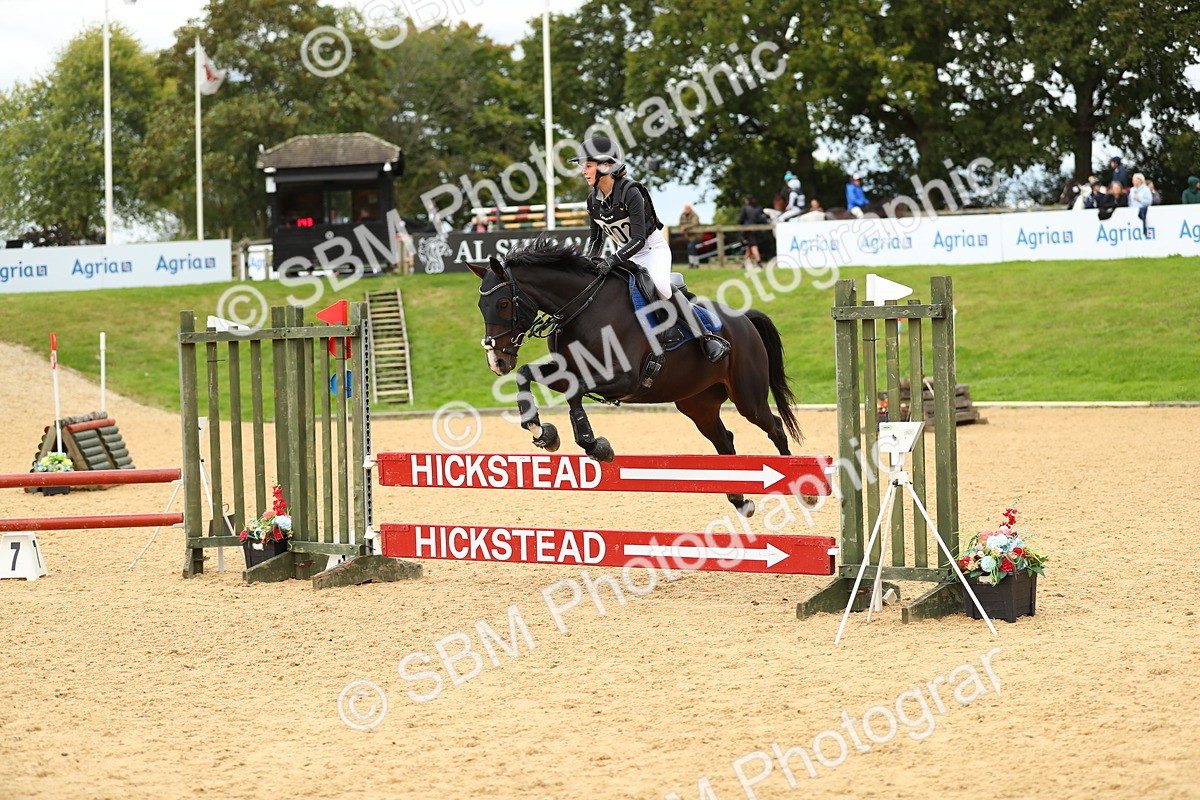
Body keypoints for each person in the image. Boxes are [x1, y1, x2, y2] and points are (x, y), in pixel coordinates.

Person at [572, 136, 729, 361]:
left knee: (662, 287)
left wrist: (613, 260)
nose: (583, 172)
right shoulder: (593, 201)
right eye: (583, 167)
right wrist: (589, 263)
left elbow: (639, 240)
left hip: (651, 250)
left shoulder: (631, 192)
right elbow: (596, 240)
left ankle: (706, 337)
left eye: (587, 166)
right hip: (626, 255)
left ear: (605, 166)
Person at [737, 195, 768, 268]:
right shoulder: (759, 208)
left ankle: (759, 262)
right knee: (750, 247)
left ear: (747, 200)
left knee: (753, 246)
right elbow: (762, 219)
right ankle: (744, 264)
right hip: (757, 230)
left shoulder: (745, 208)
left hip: (749, 230)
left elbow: (740, 220)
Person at [678, 203, 702, 268]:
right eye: (685, 208)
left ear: (690, 208)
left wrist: (684, 227)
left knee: (691, 247)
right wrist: (682, 227)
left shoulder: (695, 215)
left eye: (687, 208)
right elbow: (680, 223)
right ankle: (694, 264)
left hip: (696, 236)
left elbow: (694, 224)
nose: (686, 210)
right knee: (691, 249)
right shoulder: (682, 215)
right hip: (688, 236)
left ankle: (693, 264)